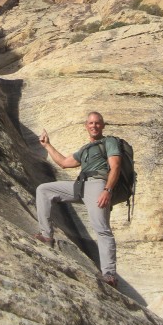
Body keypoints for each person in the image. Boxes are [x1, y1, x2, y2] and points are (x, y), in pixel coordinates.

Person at [34, 111, 121, 287]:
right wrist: (47, 146)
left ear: (103, 126)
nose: (94, 126)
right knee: (44, 190)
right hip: (80, 185)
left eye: (97, 123)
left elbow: (116, 166)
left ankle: (109, 274)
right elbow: (65, 163)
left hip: (98, 185)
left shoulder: (109, 142)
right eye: (90, 123)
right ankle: (46, 235)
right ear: (86, 126)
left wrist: (107, 190)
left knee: (101, 228)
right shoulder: (85, 149)